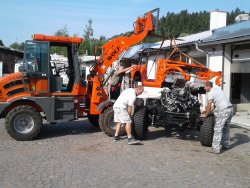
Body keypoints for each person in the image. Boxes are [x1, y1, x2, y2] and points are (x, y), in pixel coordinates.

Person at [201, 81, 234, 154]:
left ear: (208, 86)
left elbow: (209, 106)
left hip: (224, 110)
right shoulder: (218, 89)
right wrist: (210, 111)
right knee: (226, 127)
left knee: (218, 129)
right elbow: (216, 104)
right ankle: (225, 145)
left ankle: (215, 149)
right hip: (230, 109)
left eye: (205, 86)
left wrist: (206, 114)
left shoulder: (210, 93)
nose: (204, 88)